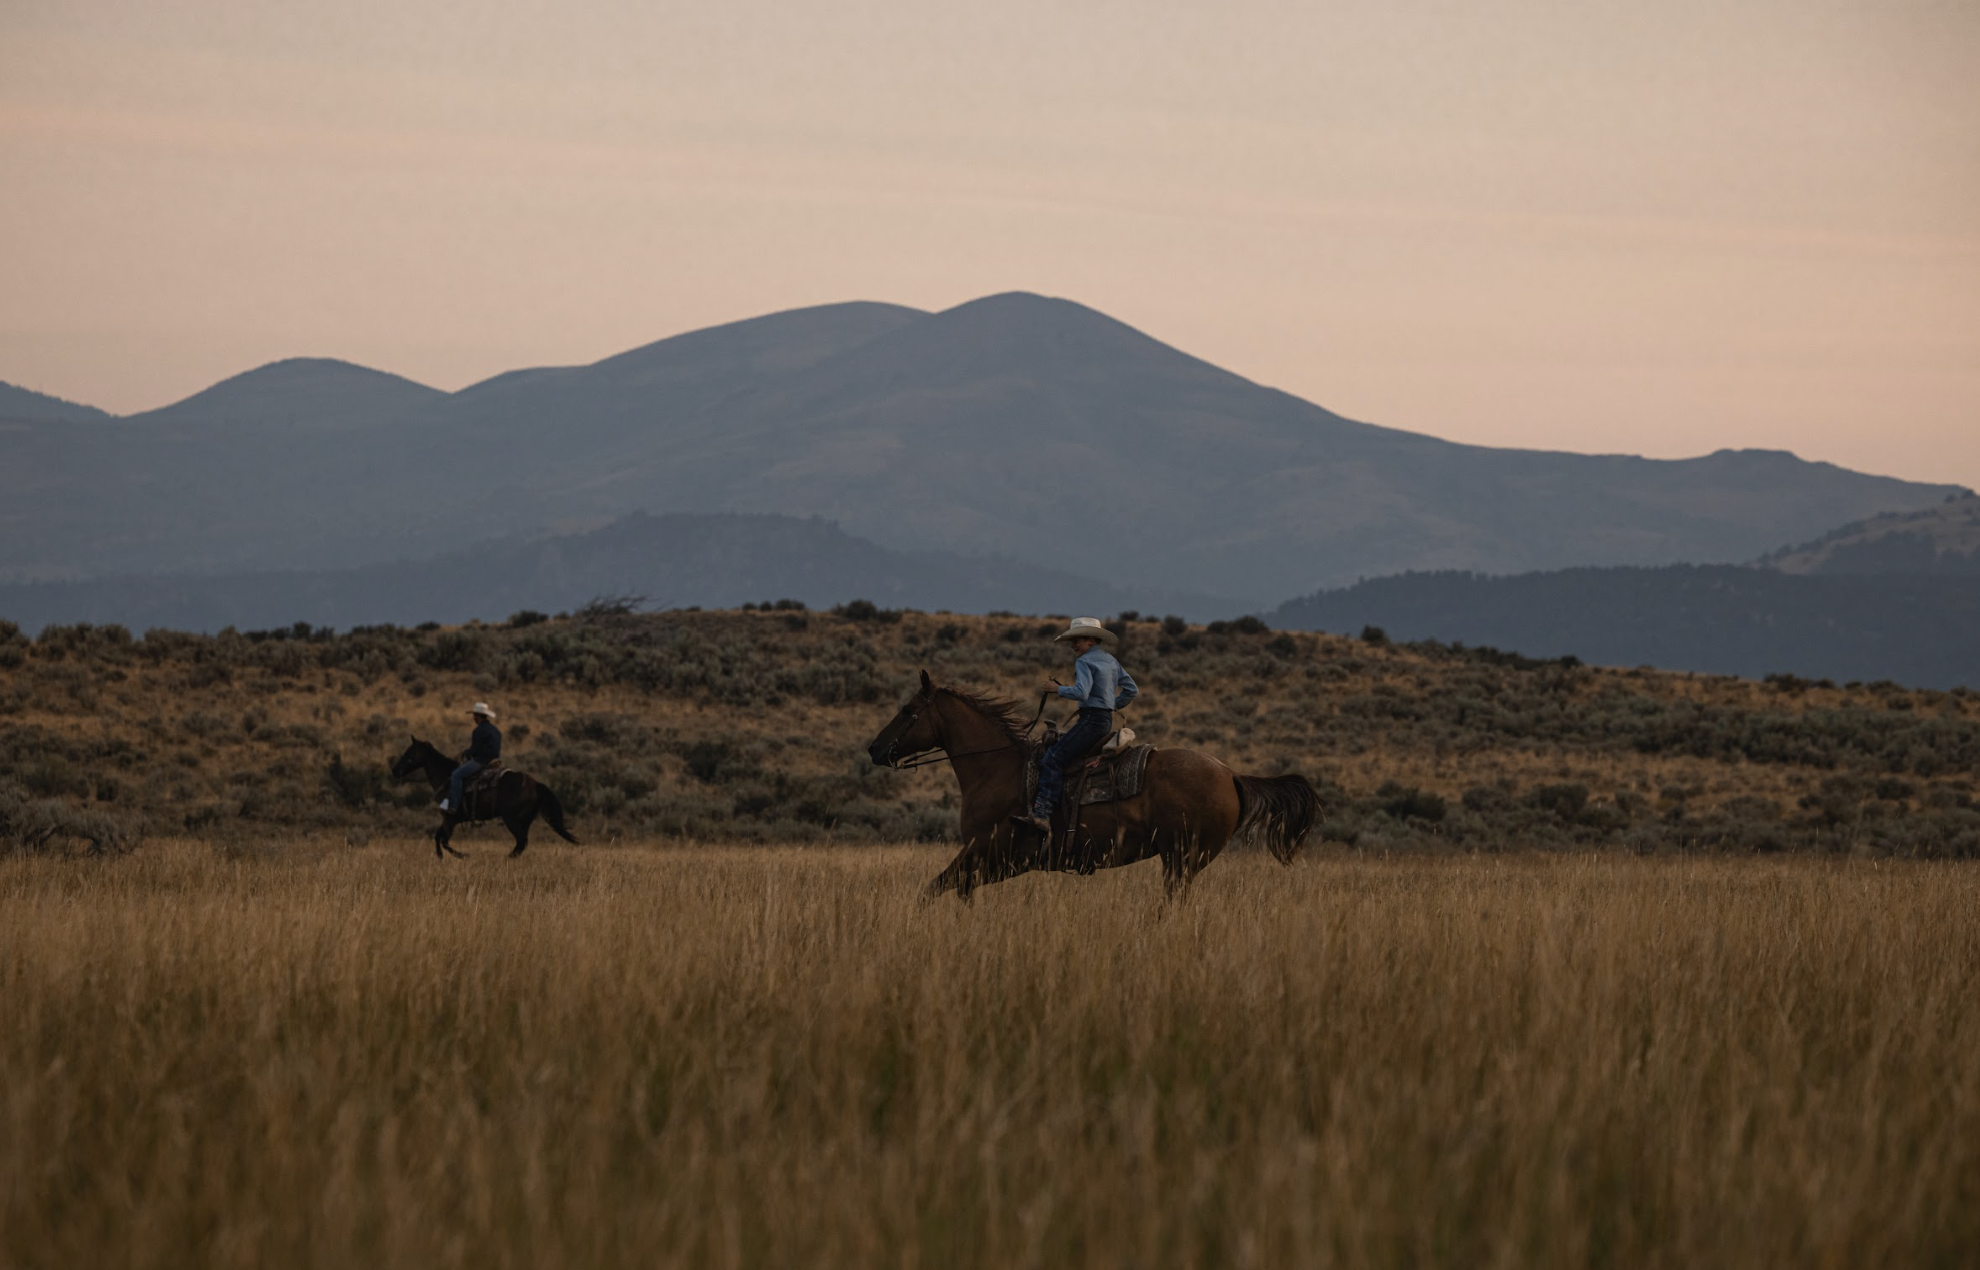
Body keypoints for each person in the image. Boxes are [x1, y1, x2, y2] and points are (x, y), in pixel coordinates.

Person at [1013, 617, 1138, 834]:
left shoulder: (1084, 662)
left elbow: (1081, 692)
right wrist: (1110, 705)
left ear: (1091, 639)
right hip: (1103, 721)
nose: (1073, 645)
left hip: (1090, 720)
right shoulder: (1110, 660)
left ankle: (1042, 814)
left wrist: (1055, 689)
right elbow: (1131, 690)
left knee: (1052, 757)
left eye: (1076, 640)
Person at [438, 702, 501, 814]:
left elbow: (475, 750)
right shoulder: (495, 730)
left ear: (478, 716)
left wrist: (465, 752)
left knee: (456, 775)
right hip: (494, 761)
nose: (473, 718)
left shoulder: (478, 731)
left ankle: (453, 806)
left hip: (481, 761)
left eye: (474, 716)